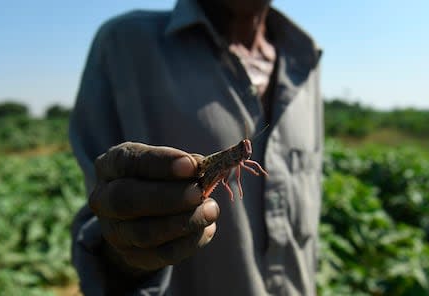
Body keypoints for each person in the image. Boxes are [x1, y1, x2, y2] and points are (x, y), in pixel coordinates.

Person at [69, 0, 323, 295]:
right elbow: (99, 216)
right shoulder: (124, 44)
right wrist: (129, 247)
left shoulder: (306, 58)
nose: (247, 152)